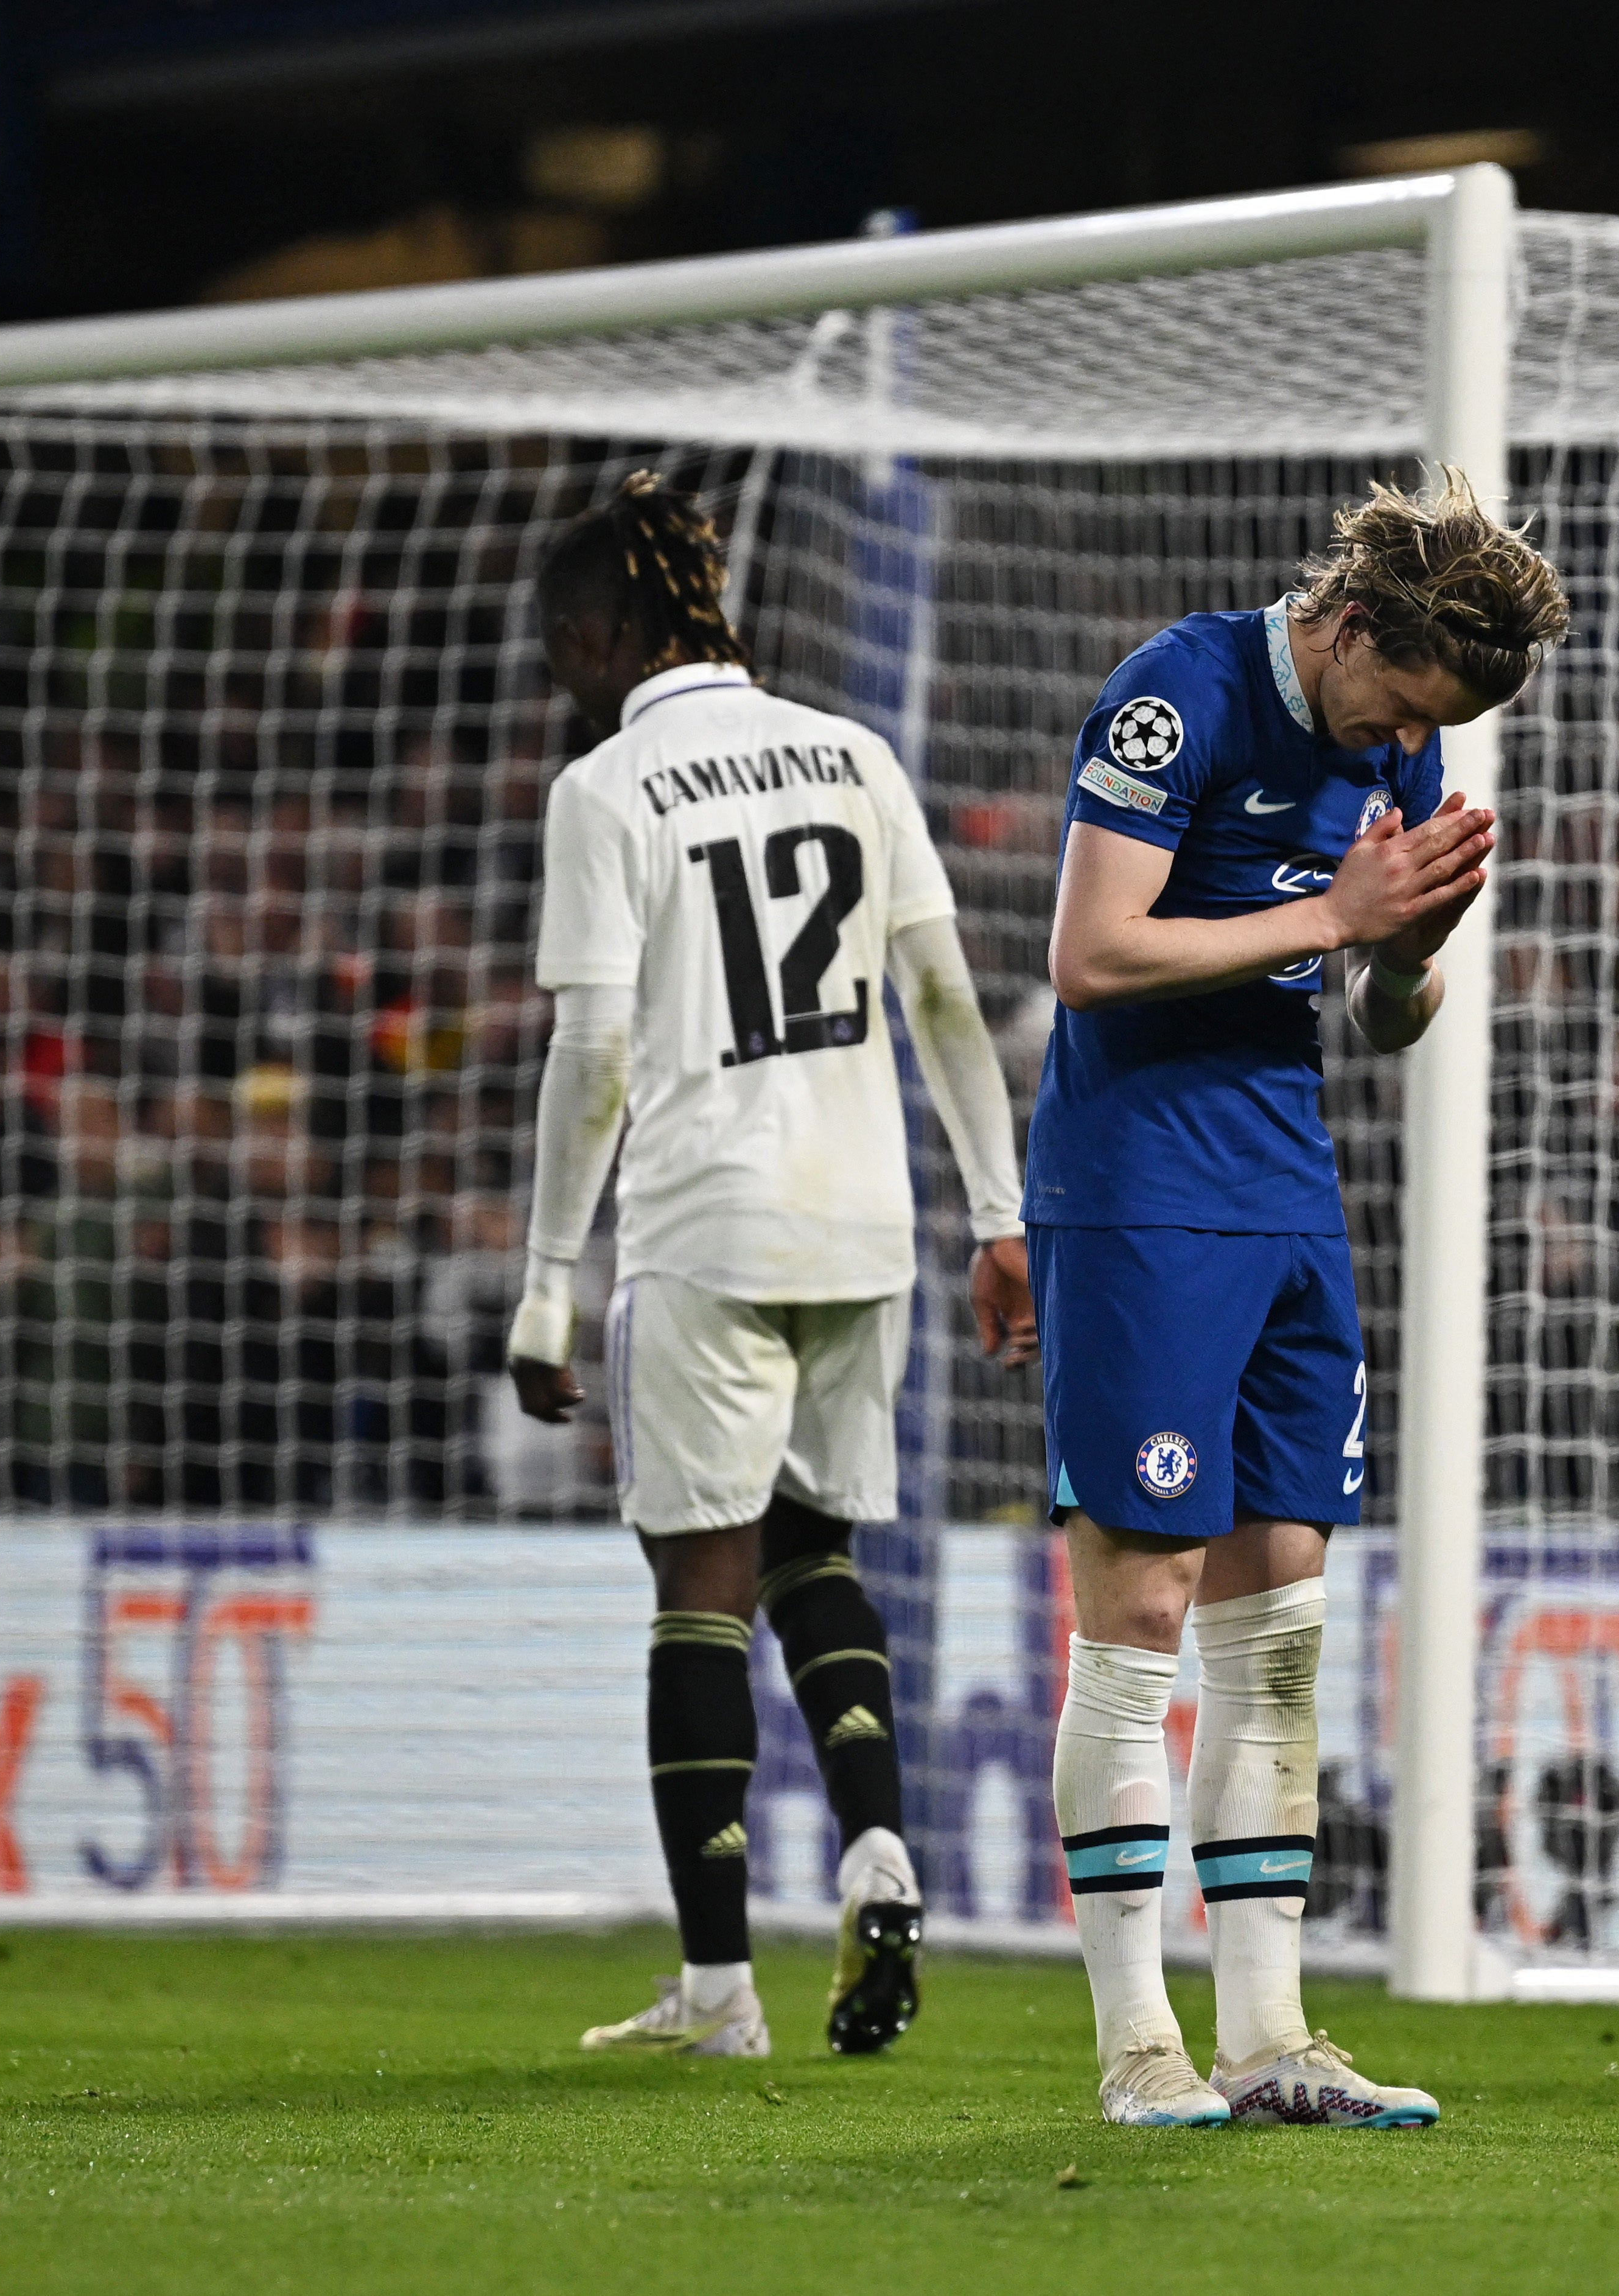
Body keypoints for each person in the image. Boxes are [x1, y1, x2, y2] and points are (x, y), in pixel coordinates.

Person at [1027, 470, 1568, 2128]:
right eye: (1399, 702)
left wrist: (1405, 949)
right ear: (1344, 630)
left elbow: (1373, 1012)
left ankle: (1268, 2036)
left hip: (1282, 1184)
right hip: (1138, 1183)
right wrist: (1333, 907)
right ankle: (1136, 2050)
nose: (1398, 743)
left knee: (1278, 1628)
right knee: (1140, 1614)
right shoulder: (1174, 694)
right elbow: (1089, 952)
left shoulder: (1394, 745)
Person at [503, 474, 1033, 2059]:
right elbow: (944, 1000)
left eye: (557, 649)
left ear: (603, 634)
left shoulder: (607, 791)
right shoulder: (854, 753)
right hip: (864, 1218)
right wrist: (995, 1214)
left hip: (707, 1216)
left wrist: (549, 1272)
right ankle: (877, 1845)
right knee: (818, 1554)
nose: (557, 679)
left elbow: (594, 1050)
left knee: (702, 1588)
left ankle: (721, 1989)